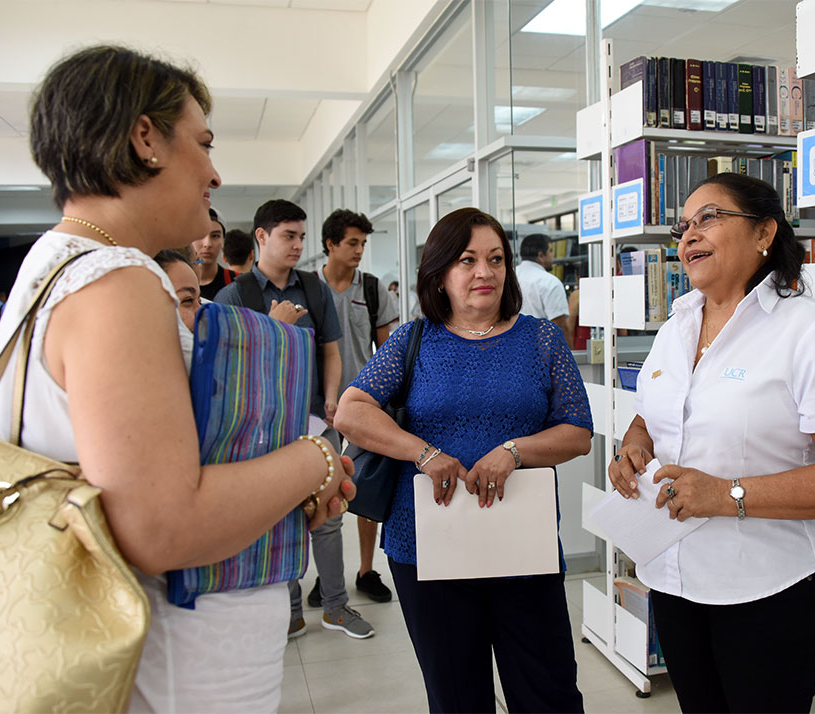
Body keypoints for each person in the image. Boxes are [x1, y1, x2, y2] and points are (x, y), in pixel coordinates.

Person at [0, 45, 352, 713]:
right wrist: (316, 459)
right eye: (203, 143)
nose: (213, 173)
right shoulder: (117, 282)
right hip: (175, 670)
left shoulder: (54, 264)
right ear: (145, 138)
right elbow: (162, 525)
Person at [606, 172, 815, 713]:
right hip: (675, 580)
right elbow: (653, 415)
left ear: (764, 233)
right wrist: (632, 448)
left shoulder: (810, 331)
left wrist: (727, 494)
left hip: (769, 591)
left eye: (708, 218)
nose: (688, 237)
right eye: (682, 226)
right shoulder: (676, 325)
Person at [335, 207, 593, 714]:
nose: (484, 272)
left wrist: (514, 451)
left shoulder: (541, 339)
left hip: (523, 546)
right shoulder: (414, 340)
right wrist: (424, 453)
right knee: (456, 695)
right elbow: (351, 411)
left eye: (496, 259)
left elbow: (577, 432)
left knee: (549, 692)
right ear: (440, 273)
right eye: (468, 260)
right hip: (430, 549)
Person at [213, 200, 372, 640]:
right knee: (279, 516)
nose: (298, 246)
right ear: (262, 237)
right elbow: (232, 369)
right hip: (264, 426)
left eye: (301, 237)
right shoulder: (236, 296)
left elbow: (331, 351)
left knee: (331, 512)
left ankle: (336, 606)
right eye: (288, 236)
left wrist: (331, 399)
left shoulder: (314, 289)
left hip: (316, 422)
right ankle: (289, 610)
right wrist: (272, 325)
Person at [305, 209, 399, 612]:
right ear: (331, 244)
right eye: (352, 243)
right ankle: (327, 578)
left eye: (363, 243)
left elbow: (388, 353)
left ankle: (365, 570)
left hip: (362, 408)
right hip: (317, 407)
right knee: (318, 491)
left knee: (364, 486)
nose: (360, 250)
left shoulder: (374, 289)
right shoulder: (309, 290)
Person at [516, 233, 572, 345]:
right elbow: (559, 326)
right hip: (540, 351)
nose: (553, 256)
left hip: (511, 348)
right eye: (551, 251)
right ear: (540, 256)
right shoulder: (550, 282)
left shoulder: (508, 276)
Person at [193, 207, 235, 300]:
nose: (207, 244)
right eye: (200, 235)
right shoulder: (175, 283)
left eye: (215, 236)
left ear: (223, 241)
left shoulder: (238, 282)